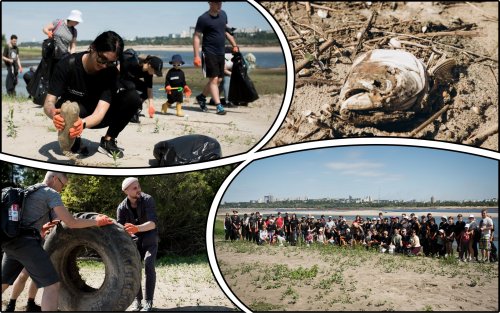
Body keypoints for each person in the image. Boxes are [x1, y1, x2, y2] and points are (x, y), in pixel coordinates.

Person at [1, 171, 113, 311]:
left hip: (10, 242)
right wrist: (96, 222)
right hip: (26, 244)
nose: (62, 189)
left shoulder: (29, 190)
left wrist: (42, 228)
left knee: (3, 283)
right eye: (62, 185)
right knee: (52, 286)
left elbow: (50, 218)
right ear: (55, 179)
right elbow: (71, 222)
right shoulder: (51, 193)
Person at [43, 31, 135, 158]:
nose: (104, 65)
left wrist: (83, 124)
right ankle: (73, 138)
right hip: (73, 112)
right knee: (68, 107)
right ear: (93, 48)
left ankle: (108, 141)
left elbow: (100, 112)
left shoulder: (110, 72)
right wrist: (53, 113)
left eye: (110, 62)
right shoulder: (67, 65)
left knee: (133, 98)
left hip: (97, 117)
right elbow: (49, 102)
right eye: (102, 59)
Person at [116, 177, 158, 312]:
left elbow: (152, 223)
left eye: (138, 186)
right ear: (126, 191)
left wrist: (136, 228)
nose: (138, 189)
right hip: (133, 241)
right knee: (135, 268)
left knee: (149, 264)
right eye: (134, 188)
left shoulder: (148, 199)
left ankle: (148, 302)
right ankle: (138, 301)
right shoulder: (121, 208)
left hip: (150, 236)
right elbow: (120, 230)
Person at [193, 1, 239, 115]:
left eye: (221, 2)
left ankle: (201, 97)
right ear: (210, 3)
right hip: (209, 52)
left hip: (220, 52)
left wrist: (234, 45)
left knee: (218, 79)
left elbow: (225, 31)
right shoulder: (203, 18)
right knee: (213, 79)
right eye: (217, 3)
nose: (220, 5)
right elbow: (197, 37)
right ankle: (219, 106)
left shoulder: (223, 14)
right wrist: (196, 56)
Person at [119, 50, 164, 123]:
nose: (155, 73)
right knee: (131, 88)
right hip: (121, 76)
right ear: (149, 65)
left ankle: (136, 107)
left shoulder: (148, 73)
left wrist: (151, 106)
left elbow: (149, 89)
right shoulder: (134, 62)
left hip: (131, 79)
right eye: (155, 71)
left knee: (145, 89)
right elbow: (120, 72)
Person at [42, 9, 82, 76]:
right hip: (51, 54)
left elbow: (73, 46)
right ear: (72, 19)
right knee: (47, 75)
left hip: (63, 56)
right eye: (77, 21)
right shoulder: (58, 22)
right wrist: (48, 33)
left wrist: (73, 57)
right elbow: (45, 29)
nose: (78, 23)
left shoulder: (74, 31)